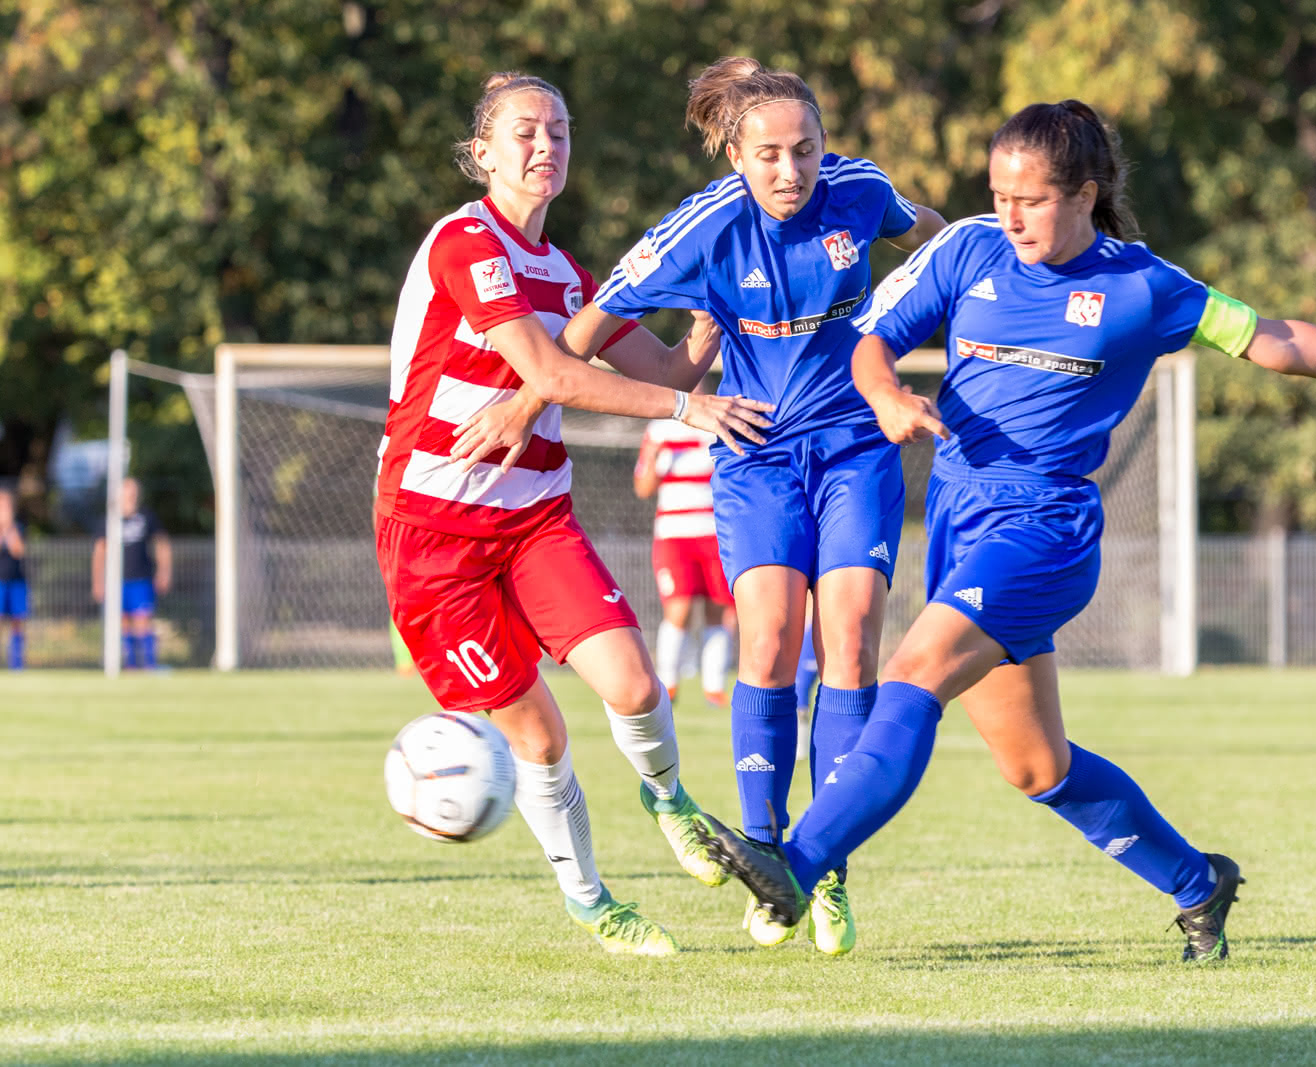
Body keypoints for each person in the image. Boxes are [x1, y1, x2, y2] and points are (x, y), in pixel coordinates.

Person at [698, 99, 1316, 963]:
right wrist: (884, 395)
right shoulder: (966, 249)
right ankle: (1198, 883)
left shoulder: (1143, 286)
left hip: (1045, 528)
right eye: (999, 195)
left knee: (910, 672)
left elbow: (1273, 338)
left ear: (1085, 194)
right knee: (1036, 766)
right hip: (960, 517)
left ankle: (798, 864)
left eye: (1030, 199)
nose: (1011, 215)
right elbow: (872, 341)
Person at [375, 71, 773, 957]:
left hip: (532, 520)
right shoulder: (465, 242)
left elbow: (667, 372)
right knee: (540, 734)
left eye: (558, 129)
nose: (544, 145)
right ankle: (594, 901)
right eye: (524, 131)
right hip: (434, 533)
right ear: (482, 153)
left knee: (635, 682)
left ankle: (668, 800)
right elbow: (554, 377)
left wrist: (713, 319)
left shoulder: (566, 273)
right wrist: (686, 412)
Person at [560, 56, 947, 955]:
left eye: (805, 150)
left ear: (824, 146)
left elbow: (927, 230)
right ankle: (766, 857)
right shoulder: (702, 227)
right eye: (768, 154)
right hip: (756, 454)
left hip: (856, 447)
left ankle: (828, 868)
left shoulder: (859, 191)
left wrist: (956, 259)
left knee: (849, 638)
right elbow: (583, 334)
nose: (790, 171)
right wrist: (674, 386)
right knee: (769, 639)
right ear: (735, 154)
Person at [633, 401, 737, 705]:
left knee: (719, 608)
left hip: (716, 533)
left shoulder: (717, 422)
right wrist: (653, 456)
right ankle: (669, 684)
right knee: (678, 610)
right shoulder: (659, 428)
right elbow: (643, 487)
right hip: (674, 535)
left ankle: (714, 688)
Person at [92, 477, 172, 670]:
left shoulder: (146, 517)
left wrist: (164, 571)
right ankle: (130, 666)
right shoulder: (110, 520)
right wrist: (98, 581)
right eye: (126, 491)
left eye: (133, 491)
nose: (130, 495)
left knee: (143, 621)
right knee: (122, 623)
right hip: (116, 582)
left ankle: (149, 664)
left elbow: (162, 544)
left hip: (141, 579)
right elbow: (100, 551)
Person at [0, 487, 27, 669]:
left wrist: (9, 530)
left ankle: (16, 662)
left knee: (17, 620)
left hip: (16, 581)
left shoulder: (17, 527)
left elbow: (19, 550)